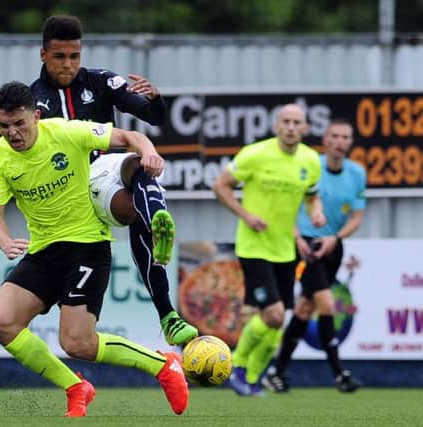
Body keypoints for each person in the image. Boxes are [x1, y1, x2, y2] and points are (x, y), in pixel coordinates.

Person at [0, 81, 188, 417]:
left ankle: (165, 366)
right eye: (3, 126)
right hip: (43, 250)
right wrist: (5, 241)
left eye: (19, 123)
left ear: (36, 116)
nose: (12, 133)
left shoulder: (67, 132)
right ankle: (77, 387)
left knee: (77, 343)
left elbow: (128, 138)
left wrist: (148, 151)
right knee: (1, 324)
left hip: (86, 245)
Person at [30, 15, 198, 347]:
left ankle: (168, 315)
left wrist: (154, 99)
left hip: (111, 165)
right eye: (60, 57)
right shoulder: (31, 99)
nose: (68, 65)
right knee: (135, 204)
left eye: (75, 56)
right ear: (44, 55)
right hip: (79, 186)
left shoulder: (102, 81)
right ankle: (165, 306)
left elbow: (154, 118)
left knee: (139, 168)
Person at [212, 104, 326, 396]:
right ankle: (236, 364)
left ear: (304, 128)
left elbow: (312, 197)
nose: (290, 127)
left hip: (285, 250)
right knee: (274, 315)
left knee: (278, 322)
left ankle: (251, 378)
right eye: (285, 121)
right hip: (254, 247)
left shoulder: (311, 160)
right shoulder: (255, 154)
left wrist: (316, 213)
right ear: (276, 126)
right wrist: (246, 215)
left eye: (296, 122)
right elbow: (221, 186)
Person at [262, 118, 365, 393]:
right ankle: (340, 374)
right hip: (306, 245)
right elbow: (287, 205)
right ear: (326, 140)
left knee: (306, 309)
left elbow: (357, 216)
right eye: (336, 136)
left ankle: (276, 372)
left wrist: (337, 238)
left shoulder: (356, 173)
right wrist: (296, 237)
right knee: (326, 303)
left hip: (333, 244)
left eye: (346, 137)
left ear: (350, 142)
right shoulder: (310, 166)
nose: (341, 142)